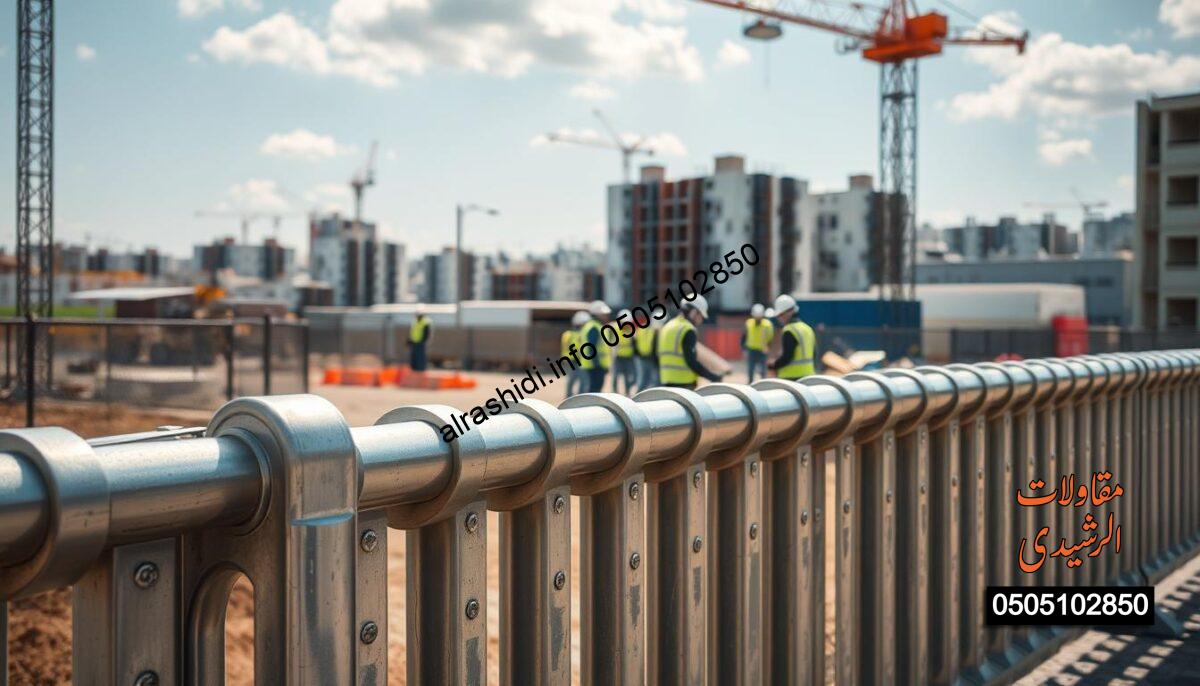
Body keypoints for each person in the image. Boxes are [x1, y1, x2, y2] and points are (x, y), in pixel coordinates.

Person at [657, 294, 725, 389]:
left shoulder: (667, 326)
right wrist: (713, 377)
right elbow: (691, 361)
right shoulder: (687, 329)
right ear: (693, 312)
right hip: (684, 383)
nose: (701, 320)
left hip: (666, 382)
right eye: (701, 316)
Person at [770, 294, 817, 380]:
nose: (779, 318)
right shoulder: (808, 328)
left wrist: (773, 365)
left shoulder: (789, 330)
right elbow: (814, 354)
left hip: (791, 378)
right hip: (808, 377)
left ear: (789, 312)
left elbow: (787, 357)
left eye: (780, 314)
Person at [579, 300, 612, 393]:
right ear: (597, 314)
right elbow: (591, 348)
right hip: (594, 366)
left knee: (593, 391)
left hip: (594, 365)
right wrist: (597, 365)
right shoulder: (594, 327)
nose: (606, 316)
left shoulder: (595, 326)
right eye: (604, 314)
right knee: (594, 391)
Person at [741, 303, 774, 383]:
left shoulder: (767, 324)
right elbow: (744, 336)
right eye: (756, 317)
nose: (757, 319)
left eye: (759, 317)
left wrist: (768, 347)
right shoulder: (749, 323)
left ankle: (763, 385)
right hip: (751, 350)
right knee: (750, 370)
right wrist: (743, 348)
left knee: (763, 371)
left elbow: (770, 337)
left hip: (763, 351)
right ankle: (750, 383)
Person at [612, 309, 638, 395]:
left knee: (628, 377)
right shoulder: (615, 328)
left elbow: (634, 342)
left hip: (629, 357)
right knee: (616, 376)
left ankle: (627, 393)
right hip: (618, 357)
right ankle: (614, 392)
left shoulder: (631, 329)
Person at [564, 310, 590, 397]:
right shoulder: (573, 334)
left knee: (575, 380)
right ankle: (572, 396)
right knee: (576, 379)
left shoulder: (568, 334)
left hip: (575, 359)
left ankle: (575, 396)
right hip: (574, 360)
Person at [634, 317, 660, 391]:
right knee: (650, 380)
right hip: (649, 358)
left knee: (643, 380)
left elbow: (634, 341)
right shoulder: (654, 330)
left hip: (642, 357)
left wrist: (637, 354)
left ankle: (638, 397)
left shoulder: (640, 329)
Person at [408, 307, 432, 372]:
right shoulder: (415, 322)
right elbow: (413, 332)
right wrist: (410, 340)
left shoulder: (425, 322)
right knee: (414, 357)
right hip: (414, 342)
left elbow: (427, 333)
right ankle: (414, 370)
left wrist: (423, 341)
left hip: (421, 343)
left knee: (420, 357)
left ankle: (421, 370)